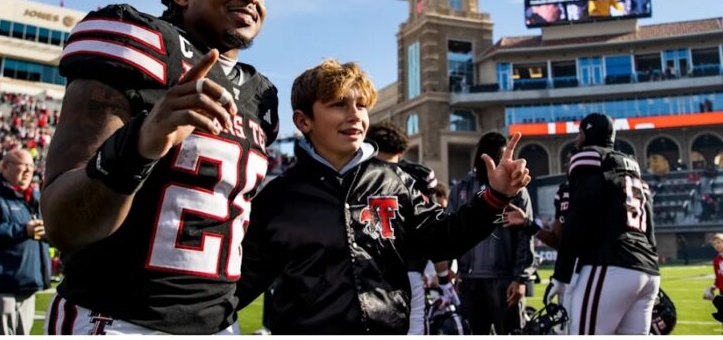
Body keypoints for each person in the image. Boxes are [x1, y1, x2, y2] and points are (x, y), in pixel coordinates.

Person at [40, 0, 279, 335]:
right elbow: (63, 224)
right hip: (119, 318)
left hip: (219, 326)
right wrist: (140, 144)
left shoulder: (261, 96)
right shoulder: (141, 42)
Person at [235, 59, 531, 334]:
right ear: (303, 121)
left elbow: (444, 238)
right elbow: (239, 282)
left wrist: (495, 196)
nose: (355, 115)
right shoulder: (279, 197)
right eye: (339, 104)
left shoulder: (394, 181)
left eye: (361, 105)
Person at [549, 113, 660, 335]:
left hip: (610, 264)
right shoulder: (632, 168)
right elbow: (649, 226)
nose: (576, 139)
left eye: (580, 133)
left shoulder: (589, 159)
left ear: (588, 133)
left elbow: (578, 217)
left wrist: (561, 274)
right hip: (647, 269)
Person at [446, 132, 536, 334]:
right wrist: (449, 268)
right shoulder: (460, 189)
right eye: (491, 155)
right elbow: (450, 230)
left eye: (500, 156)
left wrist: (520, 278)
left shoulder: (516, 189)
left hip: (505, 280)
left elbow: (524, 236)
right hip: (469, 280)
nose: (497, 162)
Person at [365, 120, 439, 335]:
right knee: (413, 330)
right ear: (401, 149)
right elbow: (433, 226)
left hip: (371, 269)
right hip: (410, 268)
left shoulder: (360, 175)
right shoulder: (419, 175)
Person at [0, 149, 50, 335]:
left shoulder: (34, 199)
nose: (28, 170)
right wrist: (23, 230)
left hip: (27, 287)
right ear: (3, 167)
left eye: (31, 166)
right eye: (23, 165)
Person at [704, 233, 723, 301]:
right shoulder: (716, 260)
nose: (717, 245)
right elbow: (718, 278)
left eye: (719, 242)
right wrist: (712, 288)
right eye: (714, 244)